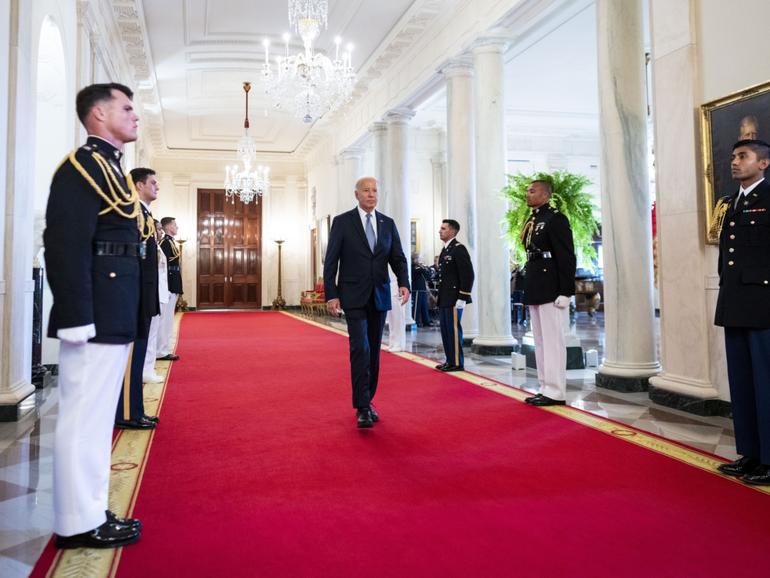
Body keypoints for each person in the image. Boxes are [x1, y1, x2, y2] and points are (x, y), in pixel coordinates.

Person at [44, 82, 143, 548]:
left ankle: (88, 509)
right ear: (99, 115)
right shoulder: (81, 167)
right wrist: (77, 315)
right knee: (84, 418)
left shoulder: (109, 167)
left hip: (112, 308)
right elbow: (64, 244)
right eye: (126, 108)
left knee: (97, 418)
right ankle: (76, 522)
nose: (135, 115)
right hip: (94, 314)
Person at [323, 176, 410, 428]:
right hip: (352, 296)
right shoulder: (343, 222)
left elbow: (398, 257)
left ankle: (368, 400)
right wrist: (332, 293)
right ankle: (361, 406)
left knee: (373, 350)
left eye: (375, 190)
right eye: (366, 190)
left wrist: (404, 282)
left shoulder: (387, 223)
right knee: (359, 348)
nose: (371, 194)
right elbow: (331, 262)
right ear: (356, 194)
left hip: (380, 295)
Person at [713, 139, 770, 486]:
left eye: (743, 156)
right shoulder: (730, 203)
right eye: (733, 156)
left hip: (763, 305)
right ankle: (749, 453)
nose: (734, 162)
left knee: (766, 383)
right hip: (734, 302)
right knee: (742, 383)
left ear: (763, 163)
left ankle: (769, 459)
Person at [520, 179, 576, 407]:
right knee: (540, 341)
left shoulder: (555, 218)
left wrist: (566, 291)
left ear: (545, 195)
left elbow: (566, 256)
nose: (528, 194)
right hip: (535, 281)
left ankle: (556, 390)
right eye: (527, 191)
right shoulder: (533, 219)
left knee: (553, 340)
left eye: (532, 191)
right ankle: (545, 386)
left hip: (551, 285)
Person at [115, 168, 161, 430]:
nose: (156, 187)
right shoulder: (133, 213)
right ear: (138, 184)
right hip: (135, 298)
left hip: (143, 297)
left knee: (138, 355)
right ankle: (127, 413)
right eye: (152, 183)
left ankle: (136, 410)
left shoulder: (144, 213)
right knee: (132, 359)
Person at [434, 220, 474, 372]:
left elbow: (468, 274)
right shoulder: (446, 250)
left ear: (452, 231)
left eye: (443, 228)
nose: (440, 231)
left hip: (454, 298)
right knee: (445, 330)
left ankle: (457, 362)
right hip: (445, 297)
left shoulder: (458, 249)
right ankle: (449, 360)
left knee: (453, 330)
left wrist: (463, 297)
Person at [142, 219, 167, 383]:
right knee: (149, 335)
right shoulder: (150, 247)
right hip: (153, 295)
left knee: (153, 333)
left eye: (160, 230)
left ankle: (149, 368)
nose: (160, 232)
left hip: (160, 294)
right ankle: (146, 370)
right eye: (157, 229)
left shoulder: (157, 247)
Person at [157, 216, 182, 361]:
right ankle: (161, 350)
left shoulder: (169, 242)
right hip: (168, 285)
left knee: (168, 319)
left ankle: (164, 348)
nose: (177, 227)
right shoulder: (165, 243)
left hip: (173, 283)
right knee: (165, 320)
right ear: (168, 227)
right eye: (175, 225)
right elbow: (164, 268)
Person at [411, 254, 432, 327]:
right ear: (415, 259)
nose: (420, 260)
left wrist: (425, 268)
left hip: (422, 289)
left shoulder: (420, 267)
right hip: (417, 289)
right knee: (416, 307)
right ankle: (415, 321)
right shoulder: (413, 267)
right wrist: (422, 267)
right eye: (419, 258)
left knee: (424, 306)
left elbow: (428, 275)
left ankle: (426, 321)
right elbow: (419, 271)